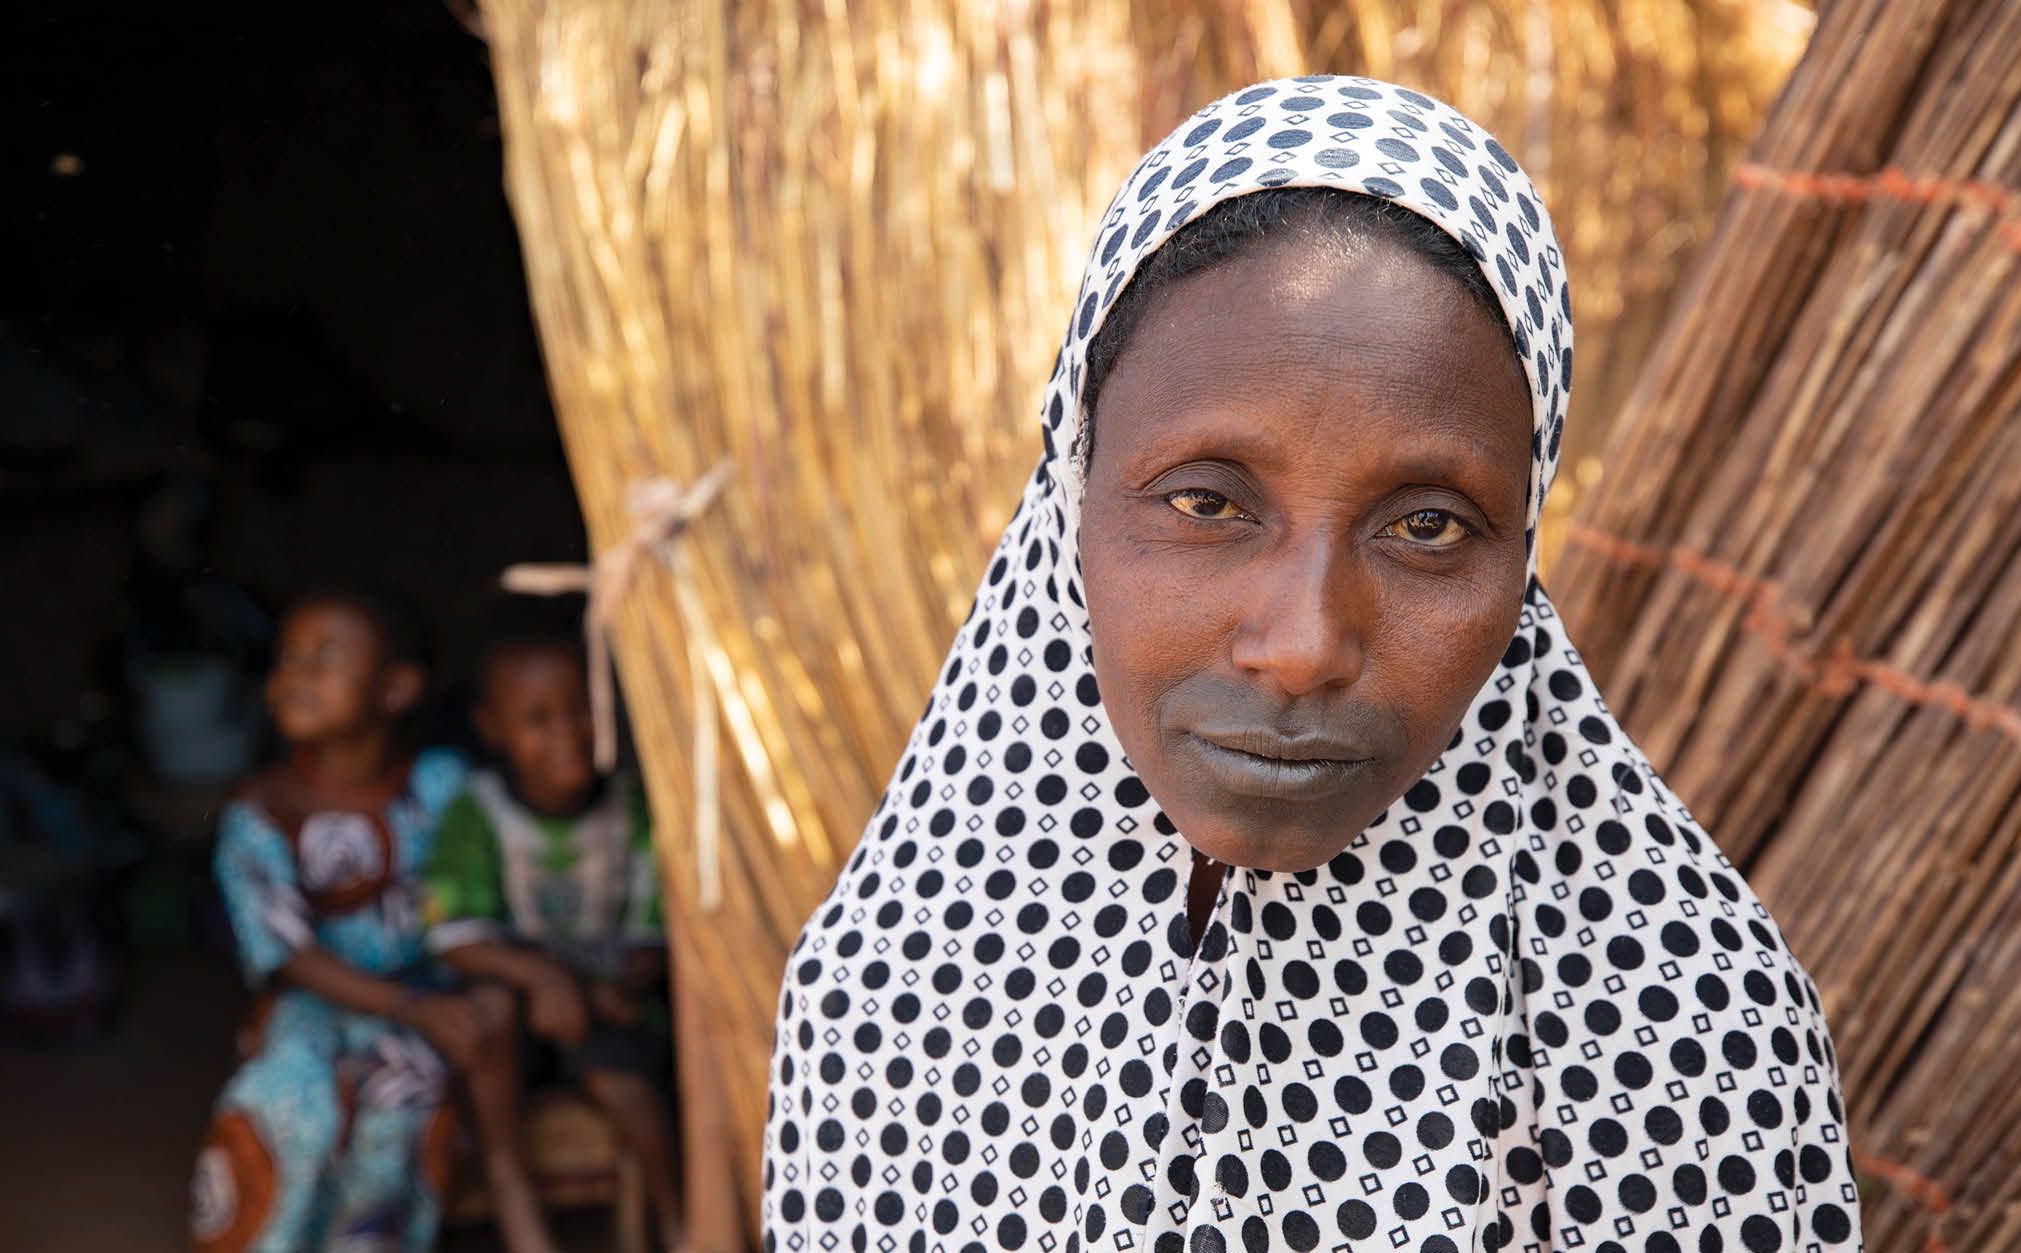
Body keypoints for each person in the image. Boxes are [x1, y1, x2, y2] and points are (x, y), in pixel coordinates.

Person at [763, 76, 1862, 1253]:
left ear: (1523, 547)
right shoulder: (891, 983)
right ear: (1070, 499)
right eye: (1206, 502)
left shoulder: (1680, 1034)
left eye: (1427, 525)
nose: (1302, 647)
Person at [192, 589, 474, 1252]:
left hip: (428, 1000)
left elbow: (480, 899)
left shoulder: (442, 788)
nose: (296, 675)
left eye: (326, 659)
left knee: (403, 1095)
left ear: (398, 687)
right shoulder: (258, 813)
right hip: (312, 1006)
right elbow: (288, 954)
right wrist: (409, 1006)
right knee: (289, 1098)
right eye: (288, 658)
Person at [421, 618, 714, 1253]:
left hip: (604, 1002)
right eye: (537, 720)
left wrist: (619, 987)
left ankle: (680, 1224)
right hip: (520, 1002)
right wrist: (549, 979)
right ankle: (524, 1223)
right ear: (492, 729)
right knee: (490, 1014)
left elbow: (657, 928)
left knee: (625, 1085)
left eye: (583, 710)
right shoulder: (479, 811)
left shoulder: (632, 805)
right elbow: (454, 937)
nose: (567, 735)